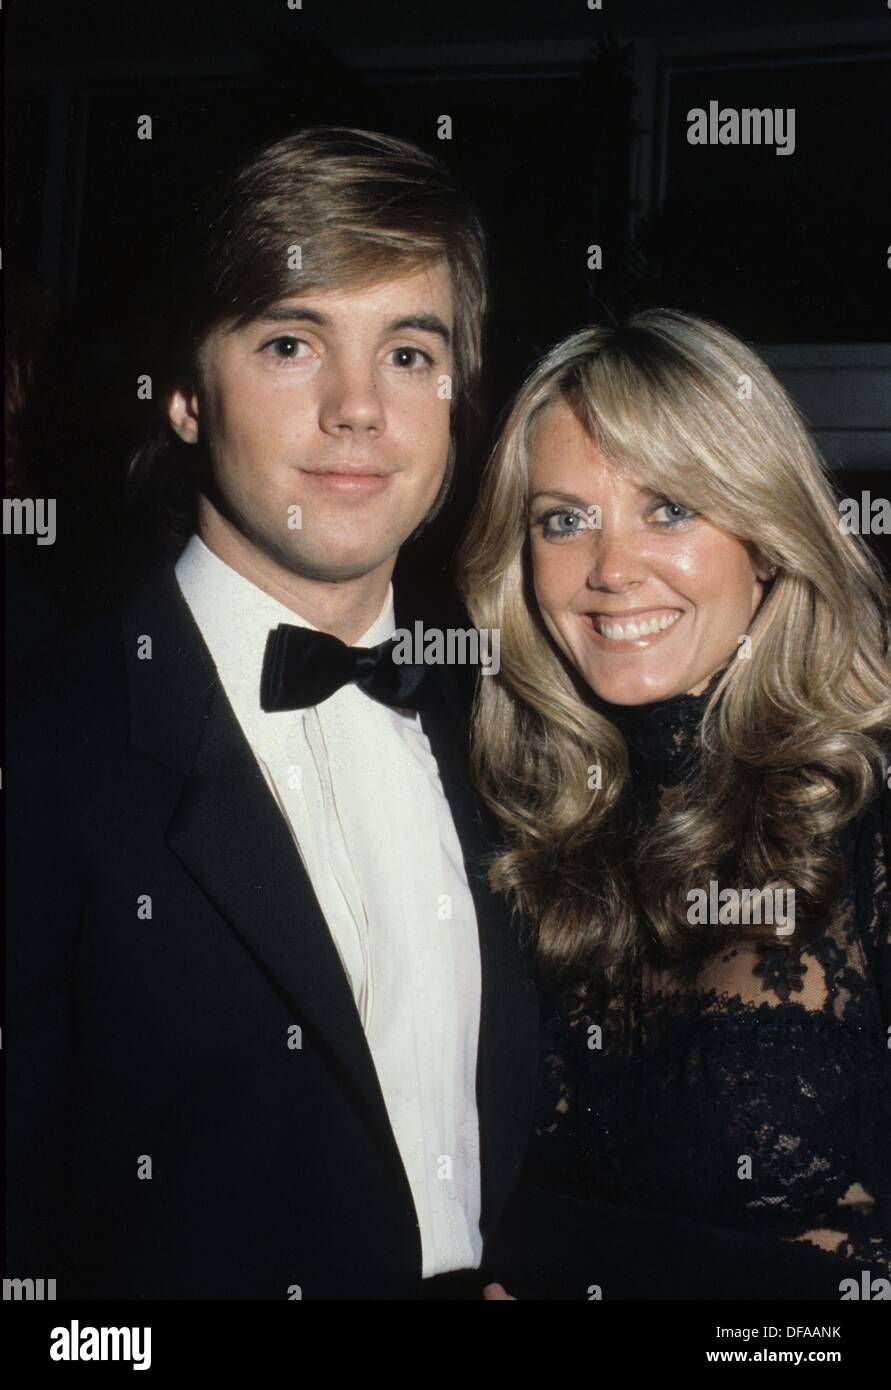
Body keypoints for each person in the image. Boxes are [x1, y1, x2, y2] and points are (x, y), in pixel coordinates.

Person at [6, 126, 539, 1300]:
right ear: (189, 397)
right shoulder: (42, 754)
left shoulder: (515, 726)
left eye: (410, 353)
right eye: (294, 342)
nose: (359, 408)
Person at [458, 309, 891, 1299]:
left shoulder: (872, 821)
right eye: (564, 520)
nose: (610, 569)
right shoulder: (513, 832)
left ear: (770, 540)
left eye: (671, 509)